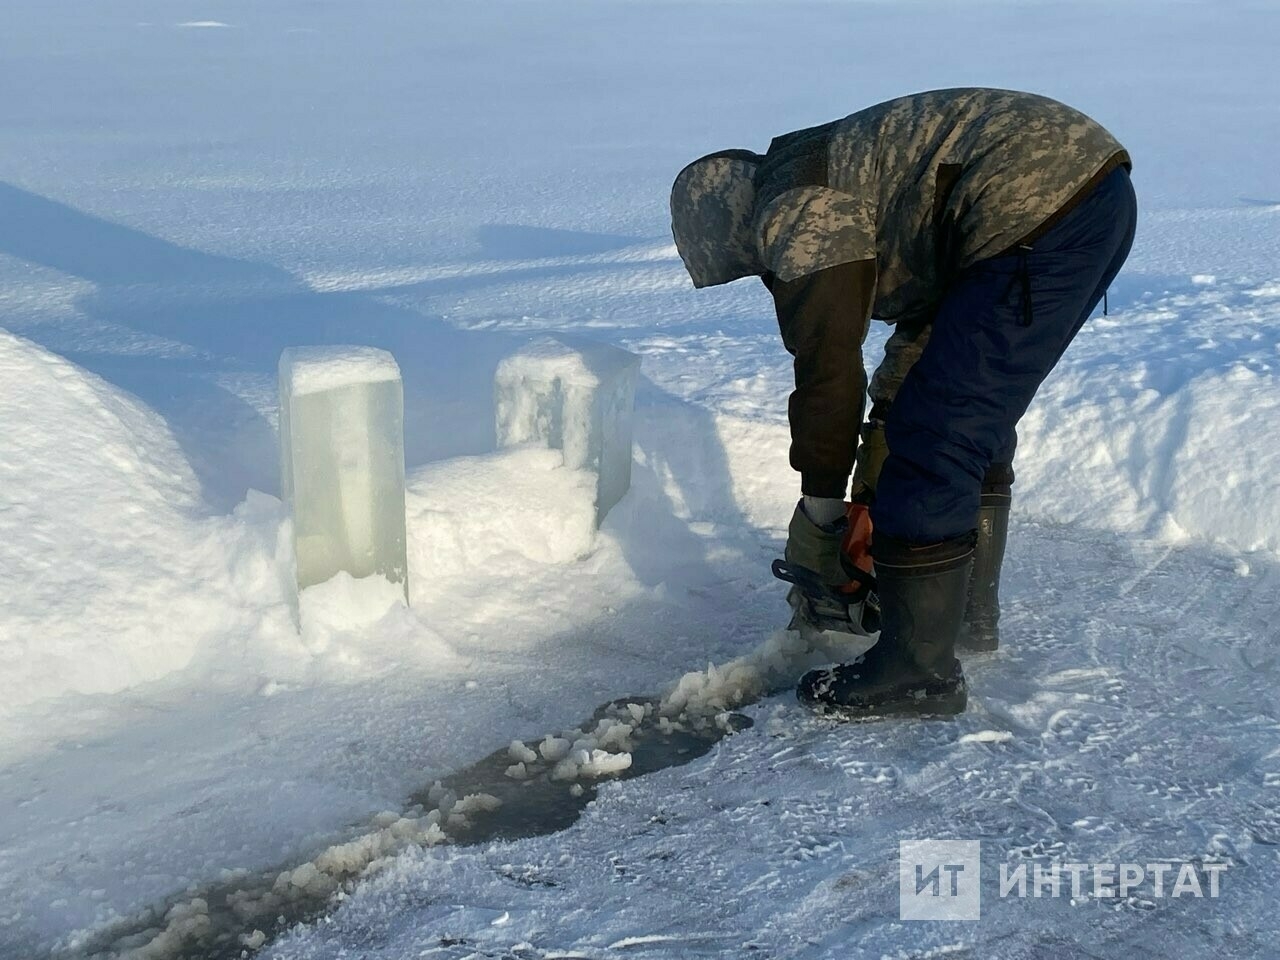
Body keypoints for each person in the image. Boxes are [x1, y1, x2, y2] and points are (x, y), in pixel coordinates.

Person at [669, 88, 1136, 718]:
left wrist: (823, 516)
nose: (764, 274)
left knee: (938, 436)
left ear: (733, 226)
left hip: (1032, 207)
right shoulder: (838, 174)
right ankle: (965, 617)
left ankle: (919, 670)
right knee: (963, 418)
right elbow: (926, 338)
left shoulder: (796, 210)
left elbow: (828, 372)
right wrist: (874, 484)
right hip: (1085, 197)